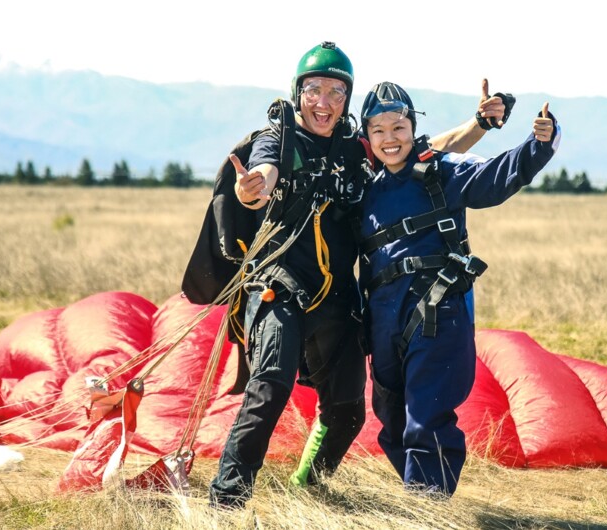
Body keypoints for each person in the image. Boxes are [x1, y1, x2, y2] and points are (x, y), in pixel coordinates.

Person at [208, 41, 508, 509]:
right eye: (313, 90)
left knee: (348, 412)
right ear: (298, 93)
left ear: (347, 99)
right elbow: (262, 173)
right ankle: (226, 501)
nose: (323, 102)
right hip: (280, 286)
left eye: (335, 91)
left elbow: (419, 150)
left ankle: (307, 489)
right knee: (270, 385)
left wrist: (481, 125)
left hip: (335, 296)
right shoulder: (279, 139)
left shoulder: (356, 149)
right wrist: (255, 189)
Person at [358, 81, 559, 496]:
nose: (390, 139)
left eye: (398, 127)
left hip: (436, 312)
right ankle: (424, 499)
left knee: (426, 418)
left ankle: (425, 509)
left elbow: (495, 178)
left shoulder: (441, 172)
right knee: (392, 421)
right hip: (383, 320)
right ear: (367, 137)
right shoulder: (364, 191)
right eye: (378, 131)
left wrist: (538, 146)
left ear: (413, 127)